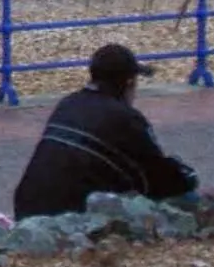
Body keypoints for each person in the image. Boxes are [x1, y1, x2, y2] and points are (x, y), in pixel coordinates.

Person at [12, 42, 198, 220]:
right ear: (129, 83)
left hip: (25, 206)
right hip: (71, 216)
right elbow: (160, 178)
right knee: (186, 201)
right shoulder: (126, 118)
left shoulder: (68, 103)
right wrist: (188, 178)